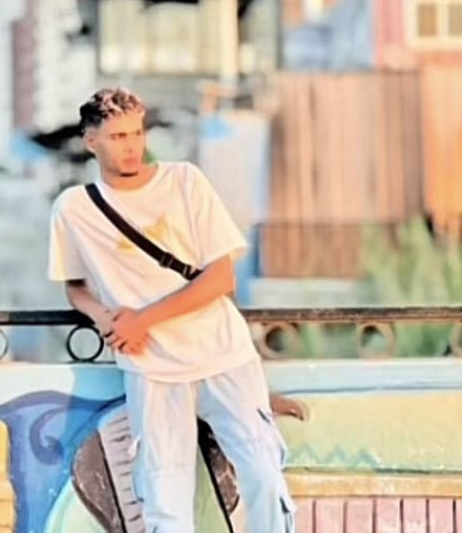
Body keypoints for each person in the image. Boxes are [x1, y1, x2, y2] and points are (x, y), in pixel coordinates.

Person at [47, 87, 296, 532]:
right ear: (91, 141)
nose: (131, 146)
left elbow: (221, 278)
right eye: (118, 136)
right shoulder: (74, 208)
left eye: (137, 133)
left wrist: (142, 320)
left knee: (264, 475)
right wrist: (108, 321)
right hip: (152, 370)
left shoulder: (184, 181)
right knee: (165, 501)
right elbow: (76, 288)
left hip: (224, 356)